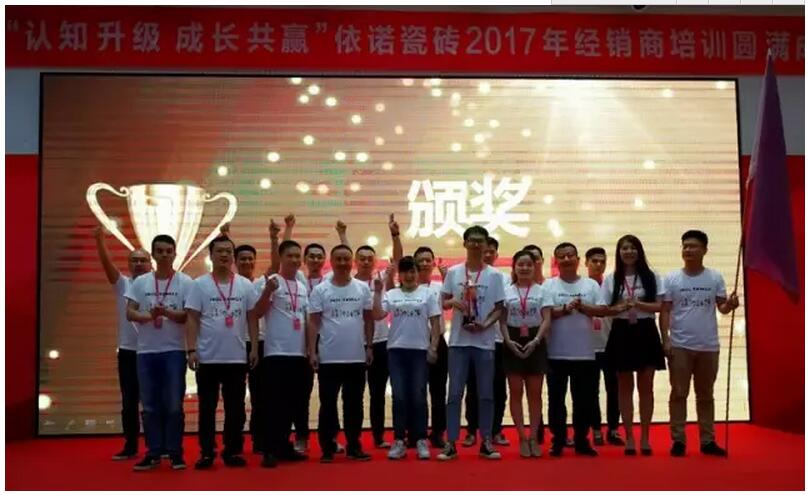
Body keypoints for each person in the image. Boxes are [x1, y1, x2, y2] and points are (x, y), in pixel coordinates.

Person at [661, 230, 738, 457]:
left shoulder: (715, 277)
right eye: (685, 246)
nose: (688, 250)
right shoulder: (672, 278)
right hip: (680, 345)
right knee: (679, 393)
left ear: (704, 250)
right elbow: (665, 311)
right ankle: (678, 440)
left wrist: (730, 304)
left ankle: (707, 440)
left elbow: (722, 308)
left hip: (708, 346)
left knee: (705, 394)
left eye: (693, 246)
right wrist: (665, 339)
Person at [185, 235, 259, 469]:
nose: (224, 255)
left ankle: (232, 451)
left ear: (233, 256)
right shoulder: (199, 285)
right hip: (207, 357)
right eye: (219, 251)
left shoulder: (245, 285)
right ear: (211, 255)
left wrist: (254, 347)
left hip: (236, 357)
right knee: (207, 408)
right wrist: (191, 349)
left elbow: (252, 318)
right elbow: (192, 318)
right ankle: (207, 452)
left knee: (235, 409)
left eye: (228, 251)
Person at [437, 226, 505, 461]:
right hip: (458, 342)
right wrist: (453, 302)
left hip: (484, 342)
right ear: (464, 243)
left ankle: (486, 441)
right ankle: (451, 443)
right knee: (454, 394)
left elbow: (499, 308)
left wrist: (485, 325)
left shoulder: (495, 275)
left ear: (486, 245)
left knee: (486, 394)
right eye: (472, 241)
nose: (476, 245)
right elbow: (443, 302)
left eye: (480, 241)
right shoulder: (454, 273)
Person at [125, 234, 193, 471]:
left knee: (174, 404)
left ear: (175, 254)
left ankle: (175, 453)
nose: (164, 255)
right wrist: (149, 316)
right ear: (153, 255)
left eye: (168, 251)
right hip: (146, 352)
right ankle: (153, 452)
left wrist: (166, 313)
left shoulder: (185, 282)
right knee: (150, 405)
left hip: (174, 351)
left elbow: (188, 315)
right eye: (160, 251)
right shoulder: (141, 282)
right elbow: (130, 312)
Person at [307, 244, 374, 463]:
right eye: (339, 259)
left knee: (354, 404)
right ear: (332, 262)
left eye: (347, 259)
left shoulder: (362, 288)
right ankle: (327, 448)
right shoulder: (321, 290)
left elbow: (368, 319)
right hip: (329, 358)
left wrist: (369, 346)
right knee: (328, 405)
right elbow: (313, 322)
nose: (343, 263)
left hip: (356, 357)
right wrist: (312, 351)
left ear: (351, 261)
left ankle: (354, 446)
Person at [372, 256, 442, 460]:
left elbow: (435, 323)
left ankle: (421, 439)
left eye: (412, 271)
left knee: (419, 395)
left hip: (420, 351)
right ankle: (399, 440)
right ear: (399, 275)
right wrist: (377, 292)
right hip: (396, 351)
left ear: (417, 273)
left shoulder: (427, 294)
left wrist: (433, 347)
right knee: (399, 396)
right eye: (405, 272)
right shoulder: (391, 294)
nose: (409, 275)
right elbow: (377, 315)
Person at [603, 235, 666, 456]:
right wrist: (619, 308)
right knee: (624, 387)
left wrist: (637, 303)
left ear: (639, 251)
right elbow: (605, 308)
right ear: (618, 253)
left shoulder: (652, 276)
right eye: (624, 248)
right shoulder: (612, 279)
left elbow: (660, 306)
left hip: (645, 330)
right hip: (621, 332)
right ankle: (629, 436)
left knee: (646, 387)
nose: (628, 252)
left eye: (632, 248)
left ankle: (645, 436)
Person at [251, 240, 311, 468]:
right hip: (276, 352)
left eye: (297, 256)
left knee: (291, 404)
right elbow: (257, 312)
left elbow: (305, 320)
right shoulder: (270, 282)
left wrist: (309, 349)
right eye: (290, 256)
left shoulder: (302, 287)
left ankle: (284, 445)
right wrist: (267, 291)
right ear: (281, 257)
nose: (294, 260)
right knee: (273, 403)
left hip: (299, 354)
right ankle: (268, 449)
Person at [94, 226, 152, 461]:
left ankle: (155, 447)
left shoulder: (158, 286)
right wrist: (100, 240)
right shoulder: (123, 285)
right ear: (128, 265)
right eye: (134, 260)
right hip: (128, 352)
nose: (138, 264)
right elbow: (107, 266)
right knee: (129, 402)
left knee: (151, 402)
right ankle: (130, 445)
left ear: (151, 264)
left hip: (152, 351)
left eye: (142, 260)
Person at [542, 242, 605, 457]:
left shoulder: (591, 285)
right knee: (555, 400)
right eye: (562, 256)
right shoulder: (549, 286)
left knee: (583, 400)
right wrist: (565, 309)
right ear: (556, 261)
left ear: (578, 260)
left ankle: (581, 441)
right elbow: (545, 313)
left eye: (570, 255)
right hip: (555, 352)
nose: (567, 259)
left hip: (585, 353)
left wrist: (583, 307)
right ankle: (558, 440)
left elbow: (601, 310)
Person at [500, 250, 550, 458]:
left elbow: (547, 318)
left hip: (536, 339)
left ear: (534, 266)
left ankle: (533, 437)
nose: (525, 268)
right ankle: (521, 436)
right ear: (514, 267)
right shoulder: (506, 291)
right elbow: (502, 319)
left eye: (529, 264)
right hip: (512, 340)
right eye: (520, 264)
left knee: (535, 393)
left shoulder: (542, 290)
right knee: (516, 391)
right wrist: (507, 341)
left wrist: (536, 340)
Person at [463, 237, 510, 447]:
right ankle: (471, 430)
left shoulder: (503, 278)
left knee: (498, 387)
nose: (488, 254)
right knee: (473, 387)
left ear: (496, 254)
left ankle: (496, 430)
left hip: (497, 339)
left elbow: (503, 307)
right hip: (472, 339)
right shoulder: (465, 276)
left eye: (492, 251)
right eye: (485, 251)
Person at [585, 247, 623, 447]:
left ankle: (614, 429)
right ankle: (596, 430)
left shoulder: (612, 285)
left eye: (602, 261)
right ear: (586, 263)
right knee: (591, 391)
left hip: (611, 345)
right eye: (594, 261)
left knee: (614, 389)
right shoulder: (582, 287)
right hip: (588, 347)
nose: (598, 265)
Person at [414, 246, 449, 448]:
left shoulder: (440, 287)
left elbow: (449, 302)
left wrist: (446, 279)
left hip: (439, 342)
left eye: (428, 260)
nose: (425, 263)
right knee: (417, 391)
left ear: (434, 263)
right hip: (416, 343)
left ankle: (438, 433)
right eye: (421, 260)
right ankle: (417, 432)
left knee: (438, 391)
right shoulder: (408, 288)